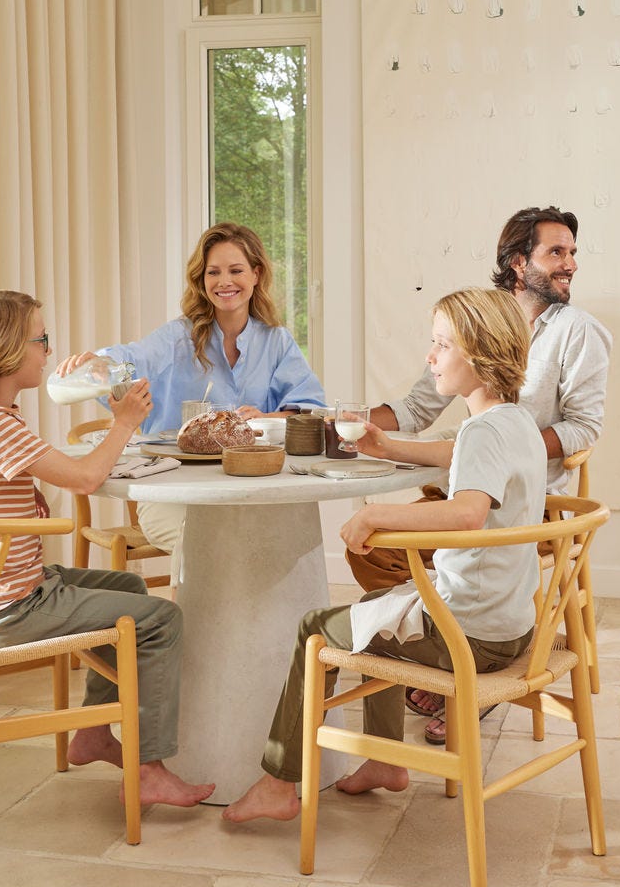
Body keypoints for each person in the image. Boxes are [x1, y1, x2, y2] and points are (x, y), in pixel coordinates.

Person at [221, 287, 547, 822]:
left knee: (316, 629)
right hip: (509, 626)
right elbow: (458, 451)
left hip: (466, 636)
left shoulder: (485, 432)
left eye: (442, 345)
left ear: (481, 354)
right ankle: (382, 763)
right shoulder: (513, 423)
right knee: (381, 603)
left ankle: (280, 782)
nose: (430, 356)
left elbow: (466, 512)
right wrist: (387, 446)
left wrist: (377, 514)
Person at [0, 290, 214, 804]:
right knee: (161, 618)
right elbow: (82, 479)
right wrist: (124, 422)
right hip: (8, 609)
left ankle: (94, 733)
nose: (49, 352)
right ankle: (149, 769)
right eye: (42, 339)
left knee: (126, 585)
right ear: (7, 349)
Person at [351, 205, 610, 597]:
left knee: (385, 546)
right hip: (457, 488)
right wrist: (350, 423)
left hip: (527, 501)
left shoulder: (579, 331)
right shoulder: (477, 319)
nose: (570, 264)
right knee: (371, 550)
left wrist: (501, 455)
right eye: (556, 252)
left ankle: (463, 635)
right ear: (519, 262)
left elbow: (584, 427)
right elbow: (418, 408)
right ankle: (453, 631)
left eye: (572, 253)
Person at [62, 222, 326, 557]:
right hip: (173, 488)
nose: (224, 282)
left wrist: (265, 416)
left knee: (286, 538)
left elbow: (307, 411)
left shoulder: (276, 341)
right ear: (202, 281)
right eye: (213, 272)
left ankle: (283, 612)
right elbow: (132, 357)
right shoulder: (178, 337)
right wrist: (100, 361)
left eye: (236, 270)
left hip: (250, 486)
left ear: (256, 275)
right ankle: (195, 612)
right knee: (207, 550)